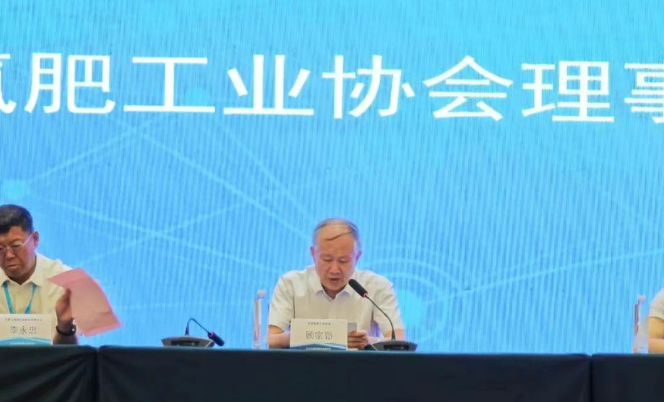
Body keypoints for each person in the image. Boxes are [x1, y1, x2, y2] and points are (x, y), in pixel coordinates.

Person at [268, 218, 406, 349]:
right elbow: (271, 340)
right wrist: (325, 338)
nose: (334, 270)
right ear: (313, 254)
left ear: (357, 257)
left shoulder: (377, 286)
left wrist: (367, 341)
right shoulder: (290, 284)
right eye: (327, 259)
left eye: (343, 261)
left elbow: (399, 341)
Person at [0, 204, 77, 344]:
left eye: (16, 246)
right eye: (0, 249)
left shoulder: (66, 283)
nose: (9, 255)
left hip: (51, 359)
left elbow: (71, 354)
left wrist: (64, 327)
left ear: (35, 239)